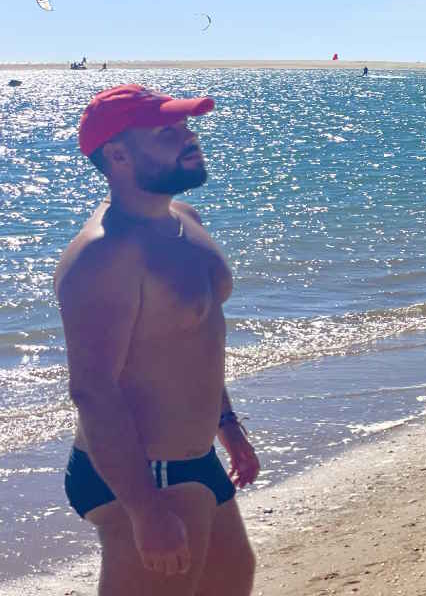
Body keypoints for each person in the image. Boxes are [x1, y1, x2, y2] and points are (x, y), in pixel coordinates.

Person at [56, 84, 259, 595]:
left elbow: (194, 340)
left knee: (232, 580)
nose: (188, 136)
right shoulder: (105, 254)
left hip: (194, 458)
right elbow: (93, 391)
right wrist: (145, 510)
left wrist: (227, 424)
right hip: (144, 470)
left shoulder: (184, 220)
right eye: (167, 131)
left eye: (184, 125)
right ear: (118, 155)